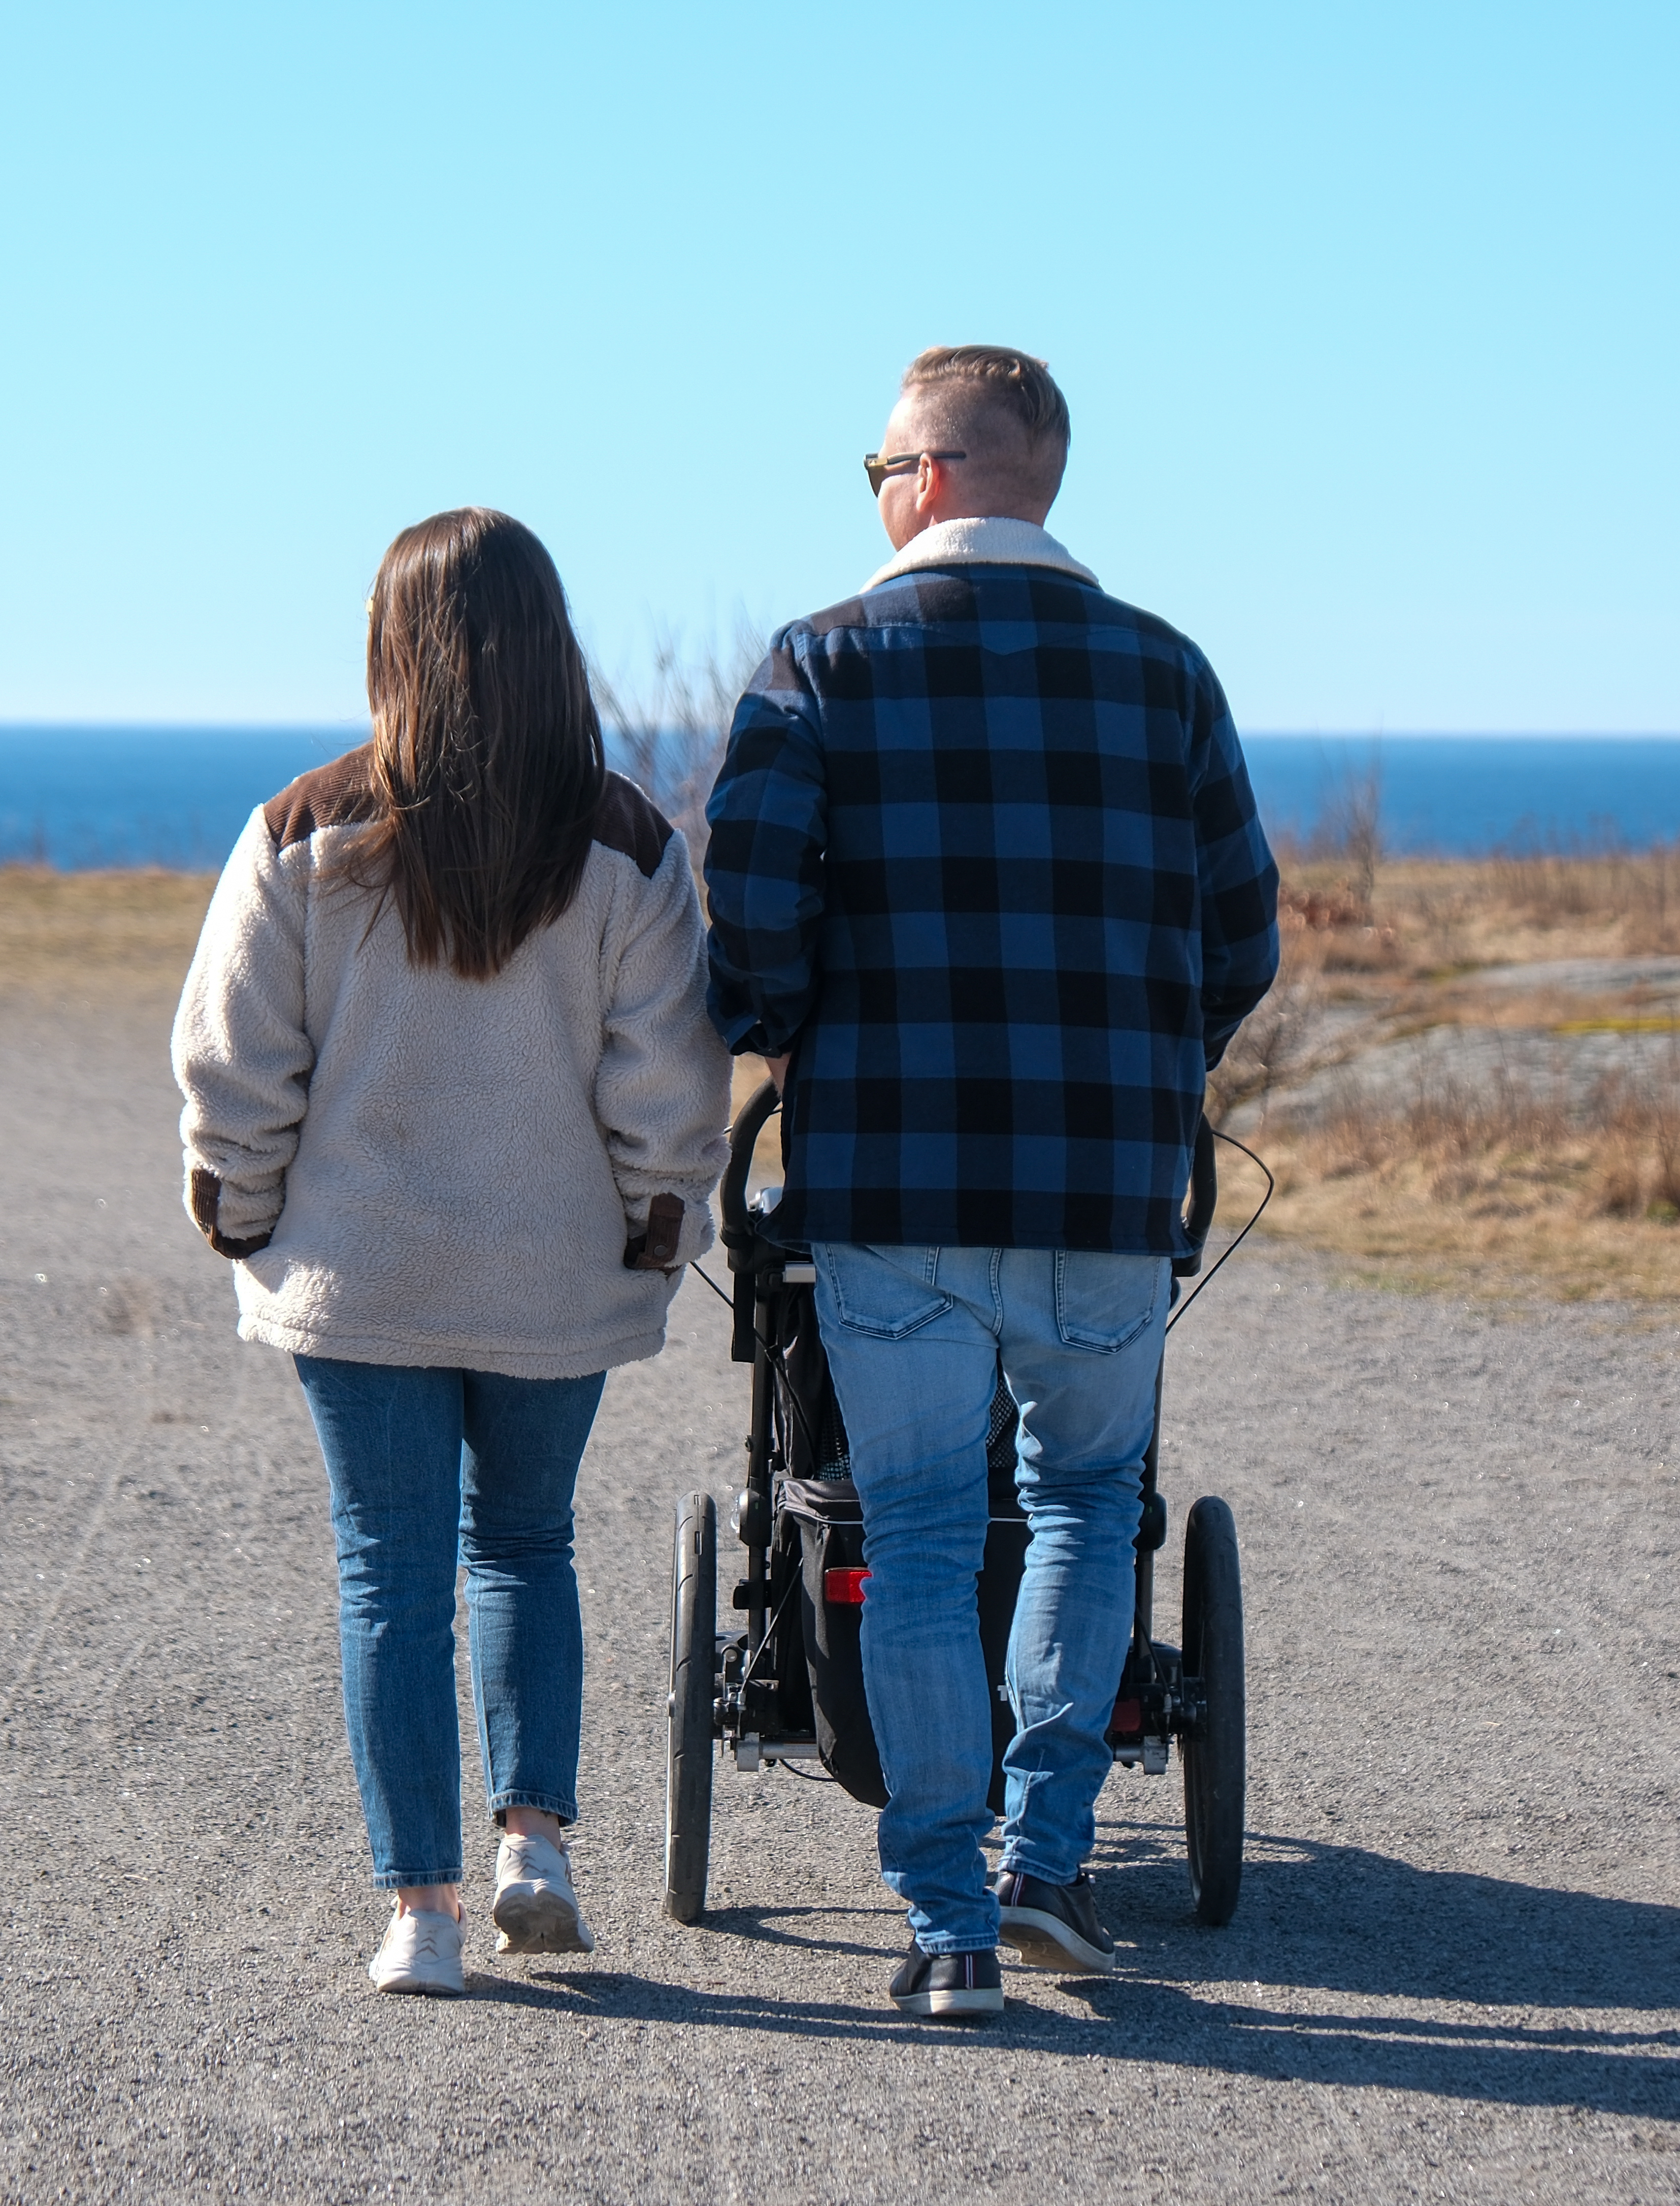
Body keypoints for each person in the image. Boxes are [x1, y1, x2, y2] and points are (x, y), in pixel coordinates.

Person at [705, 346, 1281, 2021]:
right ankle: (1047, 1863)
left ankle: (947, 1920)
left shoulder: (823, 663)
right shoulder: (1166, 674)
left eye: (880, 466)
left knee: (926, 1522)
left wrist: (797, 1032)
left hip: (895, 1173)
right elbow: (1239, 932)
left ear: (932, 475)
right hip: (1104, 1176)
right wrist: (1148, 1062)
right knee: (1089, 1507)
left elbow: (748, 914)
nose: (877, 492)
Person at [174, 507, 730, 1997]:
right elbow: (668, 1081)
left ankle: (418, 1913)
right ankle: (534, 1847)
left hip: (358, 1277)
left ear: (388, 640)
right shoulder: (625, 842)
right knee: (527, 1546)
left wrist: (239, 1202)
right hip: (558, 1274)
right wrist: (656, 1220)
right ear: (554, 644)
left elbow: (238, 1060)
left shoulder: (302, 830)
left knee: (389, 1576)